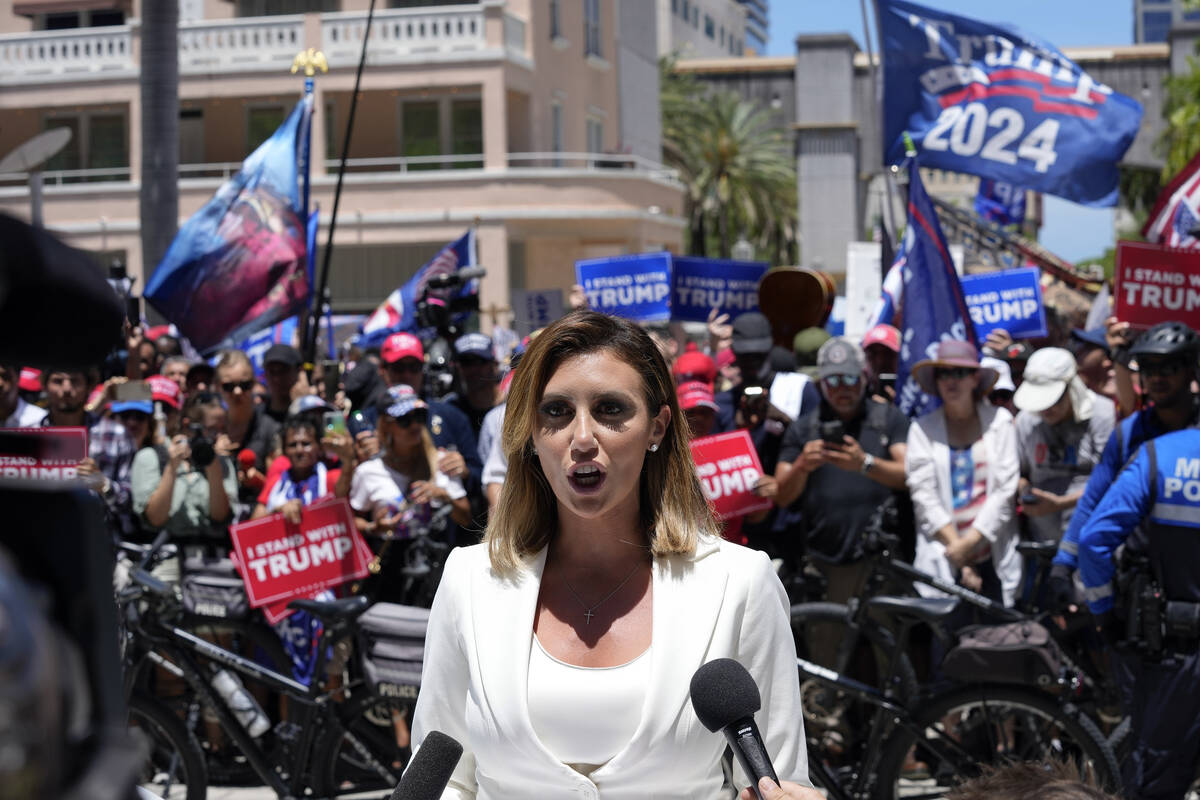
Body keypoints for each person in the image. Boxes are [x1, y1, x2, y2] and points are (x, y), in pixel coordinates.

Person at [410, 310, 809, 798]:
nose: (582, 438)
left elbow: (779, 780)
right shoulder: (469, 580)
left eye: (611, 409)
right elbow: (444, 778)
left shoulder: (741, 582)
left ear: (658, 427)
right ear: (531, 435)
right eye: (556, 411)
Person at [1077, 425, 1200, 800]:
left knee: (1156, 780)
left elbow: (1093, 540)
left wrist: (1105, 612)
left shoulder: (1160, 456)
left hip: (1178, 654)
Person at [1050, 322, 1200, 602]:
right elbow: (1093, 499)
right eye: (1147, 368)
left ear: (1191, 369)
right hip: (1144, 584)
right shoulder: (1129, 433)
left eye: (1167, 368)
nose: (1156, 377)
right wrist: (1063, 563)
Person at [774, 337, 909, 602]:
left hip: (882, 563)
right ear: (820, 384)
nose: (842, 388)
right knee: (827, 642)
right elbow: (781, 496)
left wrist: (865, 464)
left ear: (864, 378)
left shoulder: (888, 418)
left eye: (849, 378)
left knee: (888, 642)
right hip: (826, 564)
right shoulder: (803, 429)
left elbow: (909, 476)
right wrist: (801, 466)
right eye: (832, 381)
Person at [906, 340, 1021, 607]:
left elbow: (1005, 489)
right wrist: (959, 552)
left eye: (959, 373)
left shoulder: (1000, 422)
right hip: (945, 554)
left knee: (999, 640)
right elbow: (923, 495)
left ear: (975, 378)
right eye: (943, 374)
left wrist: (969, 543)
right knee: (948, 643)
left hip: (993, 555)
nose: (951, 381)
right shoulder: (921, 429)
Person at [350, 384, 471, 602]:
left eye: (420, 416)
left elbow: (465, 516)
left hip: (438, 578)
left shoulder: (442, 463)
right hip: (391, 581)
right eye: (405, 420)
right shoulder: (368, 472)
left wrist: (443, 496)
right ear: (386, 427)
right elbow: (351, 522)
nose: (415, 425)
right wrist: (374, 527)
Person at [1012, 348, 1114, 544]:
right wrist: (1025, 492)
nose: (1047, 409)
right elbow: (1020, 473)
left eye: (1054, 400)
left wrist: (1060, 503)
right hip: (1043, 539)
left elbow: (1109, 479)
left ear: (1072, 387)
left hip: (1092, 538)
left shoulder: (1101, 414)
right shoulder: (1026, 421)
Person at [131, 392, 237, 549]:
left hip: (210, 558)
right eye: (212, 429)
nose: (220, 436)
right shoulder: (150, 456)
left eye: (223, 429)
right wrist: (172, 467)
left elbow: (220, 516)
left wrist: (213, 465)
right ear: (188, 425)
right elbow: (154, 518)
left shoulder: (223, 463)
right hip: (164, 555)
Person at [215, 349, 280, 505]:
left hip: (257, 514)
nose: (237, 392)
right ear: (217, 387)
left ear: (254, 383)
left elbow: (280, 489)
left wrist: (258, 481)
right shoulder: (212, 428)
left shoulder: (269, 428)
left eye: (245, 385)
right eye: (228, 386)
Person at [447, 332, 499, 436]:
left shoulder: (513, 406)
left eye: (480, 361)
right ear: (458, 368)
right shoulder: (451, 409)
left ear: (494, 365)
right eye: (466, 362)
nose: (473, 369)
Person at [262, 344, 304, 424]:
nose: (277, 379)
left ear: (299, 372)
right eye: (272, 372)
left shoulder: (314, 412)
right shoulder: (256, 418)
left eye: (283, 371)